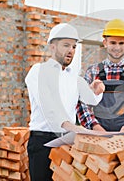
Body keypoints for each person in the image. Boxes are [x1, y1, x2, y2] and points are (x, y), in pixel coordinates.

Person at [25, 23, 104, 181]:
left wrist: (97, 90)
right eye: (66, 45)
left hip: (67, 141)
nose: (71, 51)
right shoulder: (38, 71)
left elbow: (91, 100)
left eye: (74, 46)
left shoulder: (73, 77)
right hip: (43, 142)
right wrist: (75, 128)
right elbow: (49, 108)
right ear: (52, 47)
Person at [77, 19, 124, 132]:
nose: (117, 47)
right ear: (105, 43)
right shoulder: (93, 71)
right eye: (113, 43)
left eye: (121, 43)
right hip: (98, 135)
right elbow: (82, 103)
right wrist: (95, 126)